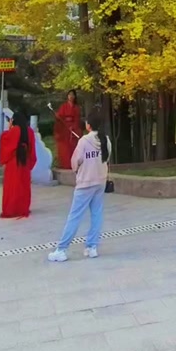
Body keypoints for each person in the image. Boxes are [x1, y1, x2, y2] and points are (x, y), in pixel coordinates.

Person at [48, 108, 111, 262]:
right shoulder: (106, 140)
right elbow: (106, 158)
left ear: (88, 125)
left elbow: (75, 162)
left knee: (74, 216)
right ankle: (92, 247)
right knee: (97, 214)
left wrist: (80, 169)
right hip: (100, 181)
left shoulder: (84, 141)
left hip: (85, 183)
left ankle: (61, 249)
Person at [0, 111, 37, 218]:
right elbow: (32, 150)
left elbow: (4, 139)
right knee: (23, 186)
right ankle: (23, 207)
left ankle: (11, 209)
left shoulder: (14, 131)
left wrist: (10, 127)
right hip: (24, 162)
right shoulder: (29, 131)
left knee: (12, 186)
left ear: (14, 120)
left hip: (14, 163)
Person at [54, 89, 81, 169]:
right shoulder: (63, 106)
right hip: (64, 127)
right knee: (64, 146)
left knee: (73, 145)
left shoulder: (76, 107)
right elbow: (60, 117)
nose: (71, 96)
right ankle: (64, 163)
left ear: (75, 96)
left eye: (73, 95)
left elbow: (77, 119)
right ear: (67, 96)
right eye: (69, 95)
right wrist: (57, 116)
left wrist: (74, 127)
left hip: (73, 127)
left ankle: (73, 163)